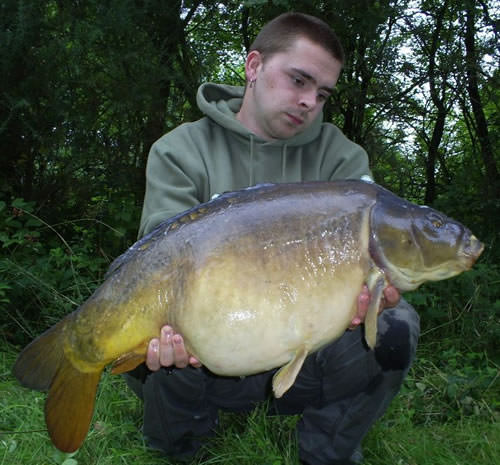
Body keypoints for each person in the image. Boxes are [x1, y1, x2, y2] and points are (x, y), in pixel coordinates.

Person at [125, 12, 420, 465]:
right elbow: (155, 265)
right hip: (203, 355)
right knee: (167, 317)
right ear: (254, 65)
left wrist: (369, 297)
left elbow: (369, 261)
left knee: (398, 324)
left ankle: (327, 447)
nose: (308, 102)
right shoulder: (181, 150)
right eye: (298, 80)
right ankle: (182, 442)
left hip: (302, 356)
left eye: (322, 94)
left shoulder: (342, 161)